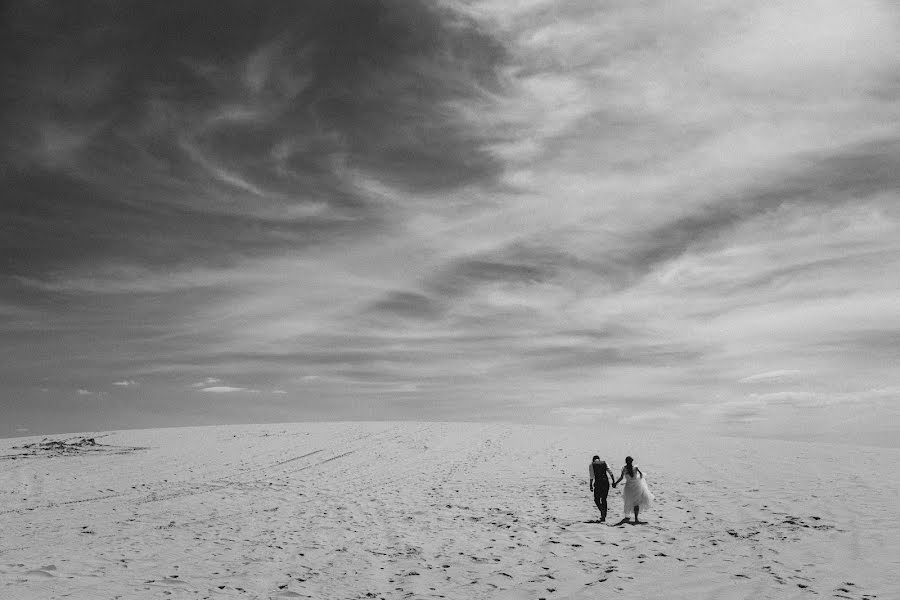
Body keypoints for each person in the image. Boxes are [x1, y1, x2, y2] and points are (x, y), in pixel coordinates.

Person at [613, 455, 653, 524]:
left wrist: (616, 483)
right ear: (632, 461)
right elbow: (641, 475)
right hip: (636, 486)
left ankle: (627, 516)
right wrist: (639, 480)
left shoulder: (624, 469)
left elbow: (621, 477)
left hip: (628, 487)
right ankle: (636, 519)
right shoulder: (635, 468)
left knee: (628, 501)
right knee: (636, 503)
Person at [588, 455, 616, 522]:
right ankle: (604, 515)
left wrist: (590, 485)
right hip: (605, 482)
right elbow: (610, 472)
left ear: (593, 460)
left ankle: (602, 511)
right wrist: (613, 481)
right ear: (599, 459)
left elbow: (591, 476)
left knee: (596, 499)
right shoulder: (604, 462)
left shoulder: (592, 465)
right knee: (604, 499)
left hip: (598, 483)